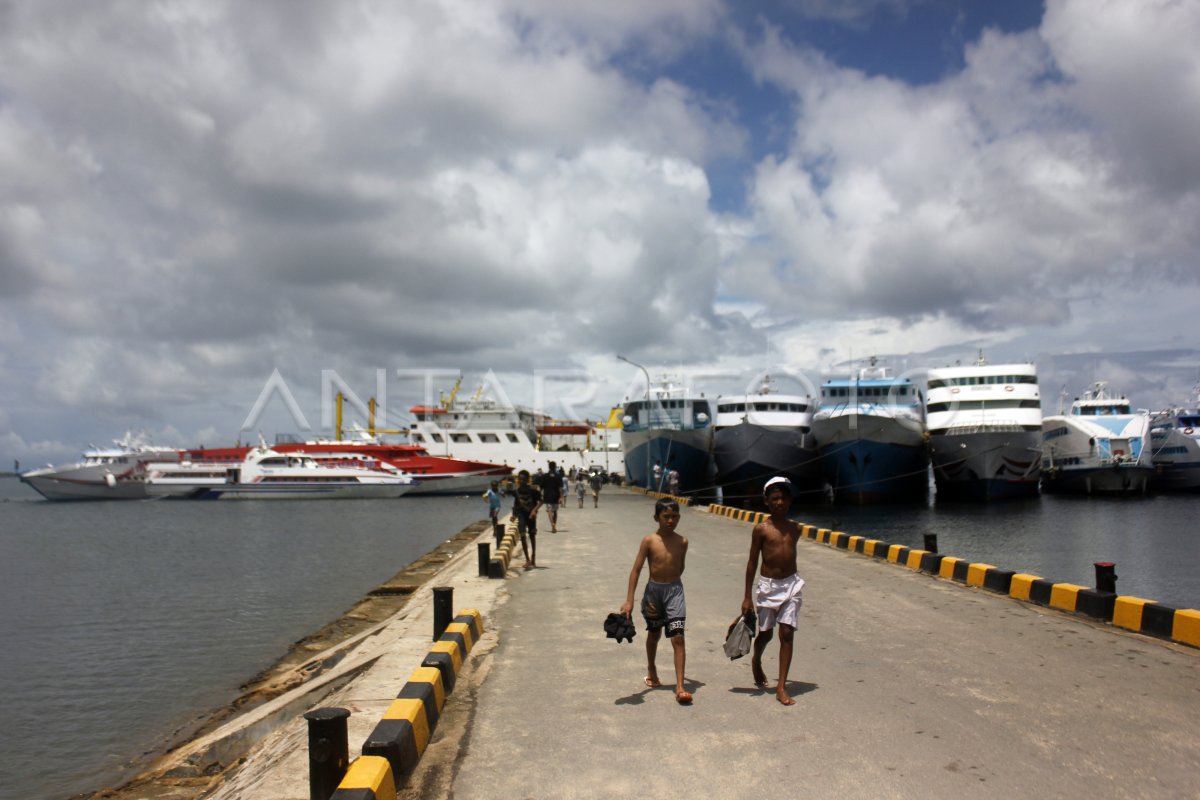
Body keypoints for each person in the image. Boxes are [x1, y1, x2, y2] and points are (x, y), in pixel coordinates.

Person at [741, 476, 806, 706]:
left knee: (787, 633)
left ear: (790, 501)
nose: (780, 502)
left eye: (784, 498)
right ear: (766, 501)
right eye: (775, 498)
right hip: (768, 588)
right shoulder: (761, 530)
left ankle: (781, 686)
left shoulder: (795, 529)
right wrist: (747, 596)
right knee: (766, 634)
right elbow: (751, 563)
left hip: (791, 586)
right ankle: (757, 660)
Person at [620, 498, 692, 704]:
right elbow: (636, 570)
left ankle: (680, 687)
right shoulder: (649, 541)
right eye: (666, 516)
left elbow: (680, 567)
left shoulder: (682, 541)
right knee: (654, 634)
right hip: (654, 593)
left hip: (675, 592)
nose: (671, 520)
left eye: (674, 516)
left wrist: (672, 582)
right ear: (656, 518)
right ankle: (652, 669)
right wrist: (629, 600)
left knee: (678, 636)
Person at [511, 469, 543, 569]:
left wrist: (534, 510)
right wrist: (513, 515)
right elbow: (516, 505)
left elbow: (541, 501)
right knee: (523, 536)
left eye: (524, 479)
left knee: (532, 536)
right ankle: (527, 559)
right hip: (521, 515)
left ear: (527, 480)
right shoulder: (516, 491)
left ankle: (533, 557)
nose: (522, 481)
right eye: (520, 479)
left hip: (531, 516)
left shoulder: (533, 490)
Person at [540, 461, 562, 532]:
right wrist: (561, 497)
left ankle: (552, 524)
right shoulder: (558, 476)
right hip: (556, 496)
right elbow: (560, 488)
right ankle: (554, 524)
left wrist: (539, 495)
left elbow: (541, 487)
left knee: (549, 511)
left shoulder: (545, 476)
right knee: (555, 511)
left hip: (547, 495)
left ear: (549, 467)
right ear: (555, 467)